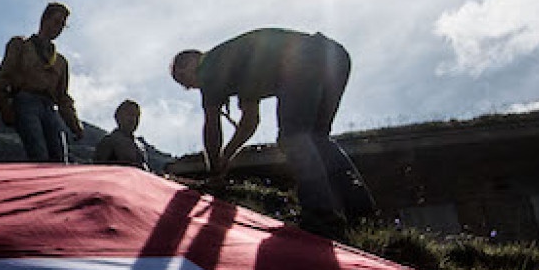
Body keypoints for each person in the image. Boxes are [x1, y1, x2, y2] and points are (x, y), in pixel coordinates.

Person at [170, 28, 376, 219]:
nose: (189, 87)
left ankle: (320, 213)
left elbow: (212, 126)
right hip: (334, 57)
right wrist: (227, 155)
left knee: (292, 136)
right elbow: (250, 121)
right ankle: (362, 213)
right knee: (317, 139)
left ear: (190, 61)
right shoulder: (235, 66)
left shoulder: (209, 66)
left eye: (182, 79)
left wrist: (214, 170)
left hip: (304, 61)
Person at [0, 2, 84, 163]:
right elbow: (3, 78)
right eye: (56, 22)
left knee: (60, 157)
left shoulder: (61, 62)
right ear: (44, 19)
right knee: (38, 153)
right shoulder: (20, 45)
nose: (58, 28)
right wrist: (5, 108)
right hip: (25, 101)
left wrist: (75, 125)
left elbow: (62, 97)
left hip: (49, 107)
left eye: (62, 25)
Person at [92, 100, 148, 170]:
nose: (133, 119)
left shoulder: (141, 146)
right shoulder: (109, 141)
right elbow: (99, 169)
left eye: (137, 116)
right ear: (118, 117)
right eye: (130, 114)